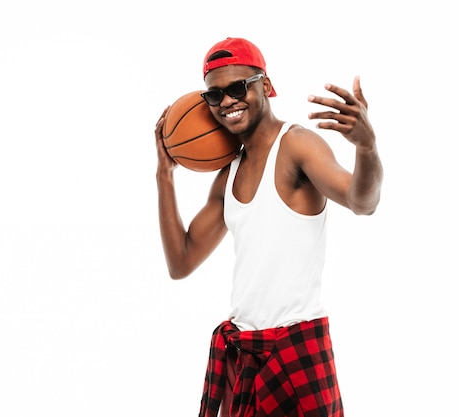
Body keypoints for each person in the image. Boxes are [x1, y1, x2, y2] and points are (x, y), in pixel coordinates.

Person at [154, 37, 383, 417]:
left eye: (237, 87)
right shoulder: (227, 175)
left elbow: (363, 202)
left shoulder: (297, 146)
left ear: (266, 85)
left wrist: (367, 147)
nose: (227, 101)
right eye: (214, 95)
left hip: (296, 347)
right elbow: (180, 263)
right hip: (242, 351)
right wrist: (164, 175)